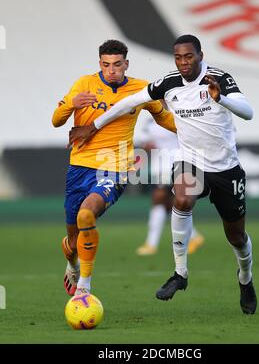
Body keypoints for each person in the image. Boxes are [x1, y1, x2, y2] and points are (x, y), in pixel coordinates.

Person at [68, 35, 257, 314]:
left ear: (200, 55)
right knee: (181, 198)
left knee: (237, 237)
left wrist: (223, 99)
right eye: (178, 57)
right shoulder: (168, 83)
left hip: (226, 168)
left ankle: (245, 278)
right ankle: (180, 274)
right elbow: (126, 103)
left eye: (189, 56)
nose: (183, 62)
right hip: (190, 161)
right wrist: (91, 127)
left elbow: (248, 112)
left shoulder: (219, 78)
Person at [52, 39, 176, 296]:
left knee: (87, 215)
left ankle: (84, 287)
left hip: (115, 167)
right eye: (106, 65)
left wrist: (200, 127)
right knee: (73, 242)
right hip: (79, 167)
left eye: (117, 64)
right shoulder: (85, 84)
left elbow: (165, 119)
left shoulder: (141, 89)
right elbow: (56, 121)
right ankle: (72, 261)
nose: (112, 70)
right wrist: (72, 103)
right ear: (100, 64)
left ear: (126, 64)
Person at [134, 116, 204, 256]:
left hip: (174, 164)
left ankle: (151, 243)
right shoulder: (149, 121)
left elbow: (189, 138)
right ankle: (194, 236)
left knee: (159, 198)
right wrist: (146, 146)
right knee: (170, 205)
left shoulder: (175, 115)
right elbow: (144, 142)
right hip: (158, 166)